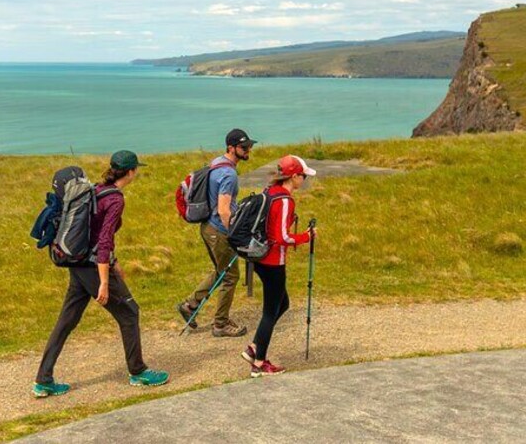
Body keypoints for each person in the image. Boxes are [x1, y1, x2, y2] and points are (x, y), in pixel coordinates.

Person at [33, 150, 170, 397]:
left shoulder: (95, 190)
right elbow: (104, 239)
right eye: (135, 169)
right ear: (130, 172)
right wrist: (105, 282)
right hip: (93, 268)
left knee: (66, 321)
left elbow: (93, 234)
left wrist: (113, 263)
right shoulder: (115, 199)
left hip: (78, 264)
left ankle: (43, 380)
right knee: (130, 313)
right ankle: (138, 371)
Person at [241, 155, 316, 377]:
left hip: (259, 258)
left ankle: (254, 348)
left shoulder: (269, 191)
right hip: (273, 261)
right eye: (303, 176)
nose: (304, 179)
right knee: (270, 311)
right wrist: (306, 236)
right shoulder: (284, 200)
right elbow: (282, 236)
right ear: (293, 176)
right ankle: (259, 363)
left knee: (283, 303)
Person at [177, 129, 256, 337]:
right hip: (219, 229)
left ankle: (190, 305)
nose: (249, 150)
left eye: (249, 146)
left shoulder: (217, 162)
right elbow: (223, 209)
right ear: (231, 148)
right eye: (244, 147)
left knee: (221, 271)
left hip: (207, 227)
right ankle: (220, 324)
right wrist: (234, 234)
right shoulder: (229, 174)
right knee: (230, 276)